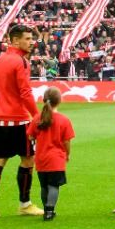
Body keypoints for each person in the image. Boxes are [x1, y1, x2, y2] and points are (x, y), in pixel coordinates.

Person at [0, 25, 43, 218]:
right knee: (28, 160)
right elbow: (25, 93)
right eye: (27, 39)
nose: (31, 42)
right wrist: (37, 115)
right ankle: (24, 204)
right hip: (19, 120)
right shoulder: (21, 61)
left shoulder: (0, 59)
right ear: (15, 41)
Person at [26, 86, 73, 221]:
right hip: (56, 159)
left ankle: (46, 209)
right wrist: (67, 154)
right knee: (54, 185)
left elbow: (30, 136)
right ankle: (50, 210)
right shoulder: (63, 120)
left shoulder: (37, 118)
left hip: (41, 158)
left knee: (44, 186)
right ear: (59, 101)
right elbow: (67, 141)